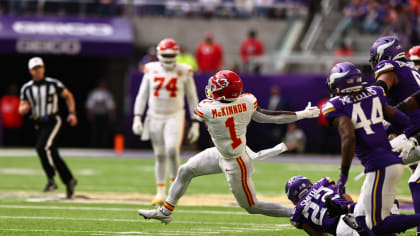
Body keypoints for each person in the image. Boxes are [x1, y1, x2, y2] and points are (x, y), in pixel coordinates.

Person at [137, 70, 321, 224]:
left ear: (224, 92)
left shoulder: (207, 108)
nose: (211, 88)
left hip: (236, 162)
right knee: (186, 170)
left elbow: (201, 113)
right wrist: (302, 114)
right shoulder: (247, 102)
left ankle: (297, 213)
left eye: (215, 86)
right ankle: (166, 212)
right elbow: (270, 116)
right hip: (222, 153)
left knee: (252, 206)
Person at [322, 62, 420, 235]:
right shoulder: (375, 93)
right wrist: (379, 129)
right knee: (360, 218)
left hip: (379, 166)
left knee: (378, 224)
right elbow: (403, 120)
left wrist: (343, 174)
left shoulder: (335, 105)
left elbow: (349, 137)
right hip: (390, 163)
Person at [132, 38, 200, 205]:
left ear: (177, 55)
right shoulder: (150, 69)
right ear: (158, 54)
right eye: (165, 55)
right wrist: (137, 117)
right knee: (160, 155)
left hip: (175, 114)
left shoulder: (184, 70)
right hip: (154, 115)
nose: (168, 58)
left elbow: (192, 97)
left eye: (171, 55)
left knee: (171, 150)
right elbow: (142, 95)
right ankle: (160, 192)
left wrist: (196, 122)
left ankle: (174, 190)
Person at [370, 36, 420, 233]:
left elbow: (379, 90)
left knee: (378, 165)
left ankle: (389, 217)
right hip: (414, 133)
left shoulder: (392, 69)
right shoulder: (410, 71)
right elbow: (406, 110)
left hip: (415, 135)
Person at [19, 57, 78, 199]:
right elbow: (21, 107)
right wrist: (23, 109)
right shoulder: (27, 88)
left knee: (42, 147)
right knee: (52, 153)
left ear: (44, 68)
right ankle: (69, 180)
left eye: (39, 67)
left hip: (53, 120)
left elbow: (68, 96)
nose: (38, 71)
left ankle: (51, 179)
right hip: (38, 122)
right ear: (30, 71)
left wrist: (72, 113)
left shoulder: (53, 84)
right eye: (35, 68)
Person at [286, 176, 359, 236]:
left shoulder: (297, 215)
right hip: (353, 212)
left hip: (341, 230)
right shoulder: (323, 182)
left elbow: (319, 235)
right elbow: (345, 197)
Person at [85, 81, 116, 148]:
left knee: (104, 132)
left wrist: (111, 116)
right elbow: (89, 106)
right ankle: (94, 146)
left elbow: (111, 107)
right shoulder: (94, 93)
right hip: (96, 115)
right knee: (95, 132)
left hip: (104, 115)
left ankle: (103, 146)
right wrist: (90, 115)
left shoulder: (107, 94)